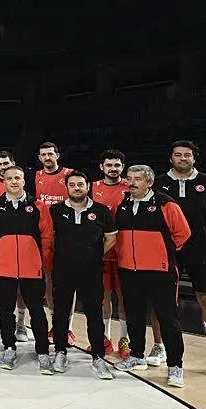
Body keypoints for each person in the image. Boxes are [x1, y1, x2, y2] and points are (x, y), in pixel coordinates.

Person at [114, 164, 189, 388]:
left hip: (160, 271)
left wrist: (161, 253)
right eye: (129, 178)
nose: (132, 183)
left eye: (137, 179)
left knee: (168, 319)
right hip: (129, 270)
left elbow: (183, 233)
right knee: (134, 315)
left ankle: (175, 366)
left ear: (149, 182)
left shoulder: (166, 204)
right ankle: (137, 355)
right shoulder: (123, 204)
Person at [49, 170, 117, 380]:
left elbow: (111, 238)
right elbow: (51, 238)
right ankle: (60, 352)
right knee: (61, 312)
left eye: (80, 184)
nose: (76, 188)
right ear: (66, 188)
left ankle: (98, 356)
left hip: (91, 270)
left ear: (88, 186)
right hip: (63, 269)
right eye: (72, 185)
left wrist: (93, 254)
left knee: (94, 314)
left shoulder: (102, 211)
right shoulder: (55, 210)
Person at [0, 166, 53, 373]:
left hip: (32, 269)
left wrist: (43, 265)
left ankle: (43, 352)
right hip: (4, 269)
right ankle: (9, 348)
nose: (14, 182)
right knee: (6, 312)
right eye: (9, 178)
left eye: (17, 178)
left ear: (24, 181)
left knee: (37, 312)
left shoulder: (38, 206)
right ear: (3, 182)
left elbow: (47, 238)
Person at [151, 140, 206, 363]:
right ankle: (158, 346)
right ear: (170, 158)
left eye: (187, 155)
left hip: (201, 249)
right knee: (161, 299)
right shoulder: (158, 183)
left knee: (205, 298)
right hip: (167, 249)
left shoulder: (205, 181)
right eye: (178, 154)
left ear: (194, 158)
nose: (183, 158)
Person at [30, 141, 75, 345]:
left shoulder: (70, 174)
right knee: (48, 280)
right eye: (43, 155)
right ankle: (54, 324)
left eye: (50, 154)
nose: (47, 157)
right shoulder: (35, 176)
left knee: (68, 281)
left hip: (67, 233)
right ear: (39, 158)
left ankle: (69, 327)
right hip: (45, 234)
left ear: (57, 155)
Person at [0, 151, 27, 341]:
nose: (2, 167)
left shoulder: (18, 181)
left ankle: (21, 324)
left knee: (21, 283)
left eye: (6, 163)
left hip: (18, 239)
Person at [90, 149, 129, 358]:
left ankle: (125, 339)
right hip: (102, 250)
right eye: (109, 165)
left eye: (117, 165)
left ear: (122, 167)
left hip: (124, 250)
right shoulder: (92, 187)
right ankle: (104, 337)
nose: (113, 169)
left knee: (124, 297)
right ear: (101, 167)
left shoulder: (130, 186)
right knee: (102, 297)